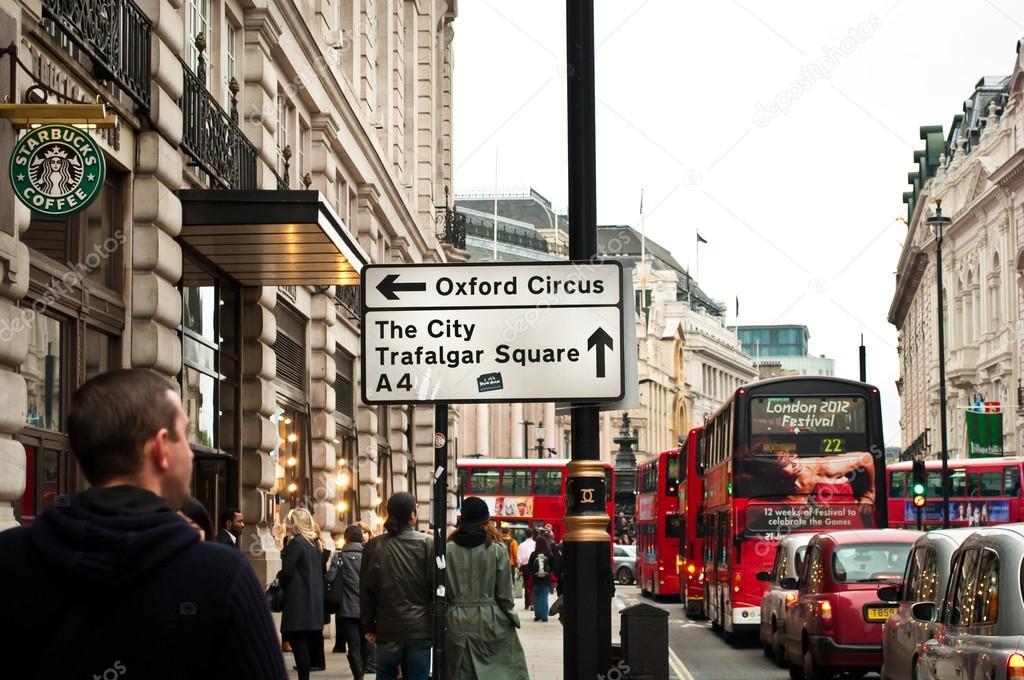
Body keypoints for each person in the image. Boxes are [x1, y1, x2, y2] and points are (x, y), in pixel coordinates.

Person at [0, 368, 287, 680]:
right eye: (184, 435)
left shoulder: (10, 557)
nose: (191, 454)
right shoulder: (222, 577)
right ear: (161, 448)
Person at [445, 497, 529, 679]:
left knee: (461, 672)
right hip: (490, 619)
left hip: (456, 620)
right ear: (485, 520)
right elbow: (505, 595)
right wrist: (512, 618)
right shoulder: (497, 550)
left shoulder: (446, 550)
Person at [361, 492, 434, 680]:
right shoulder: (428, 544)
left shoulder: (374, 545)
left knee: (385, 675)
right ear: (412, 515)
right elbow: (437, 588)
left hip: (388, 628)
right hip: (420, 629)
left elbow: (366, 590)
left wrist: (368, 625)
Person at [280, 507, 327, 680]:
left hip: (298, 602)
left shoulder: (298, 543)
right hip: (312, 602)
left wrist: (279, 580)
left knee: (298, 644)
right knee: (302, 644)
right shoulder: (314, 543)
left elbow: (287, 571)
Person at [329, 525, 370, 679]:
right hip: (365, 608)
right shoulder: (367, 555)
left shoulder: (339, 557)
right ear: (360, 538)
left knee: (353, 645)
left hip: (346, 609)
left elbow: (330, 577)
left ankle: (358, 676)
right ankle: (362, 672)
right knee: (365, 645)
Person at [528, 534, 558, 622]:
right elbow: (553, 567)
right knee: (544, 597)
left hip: (536, 579)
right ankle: (544, 616)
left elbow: (530, 567)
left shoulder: (533, 554)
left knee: (536, 597)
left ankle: (537, 615)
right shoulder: (549, 554)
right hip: (546, 579)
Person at [517, 527, 536, 610]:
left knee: (526, 584)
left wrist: (519, 569)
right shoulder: (535, 544)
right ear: (533, 535)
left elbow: (519, 559)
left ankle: (526, 603)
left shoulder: (521, 545)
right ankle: (532, 603)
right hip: (534, 566)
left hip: (525, 567)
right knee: (533, 584)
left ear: (525, 535)